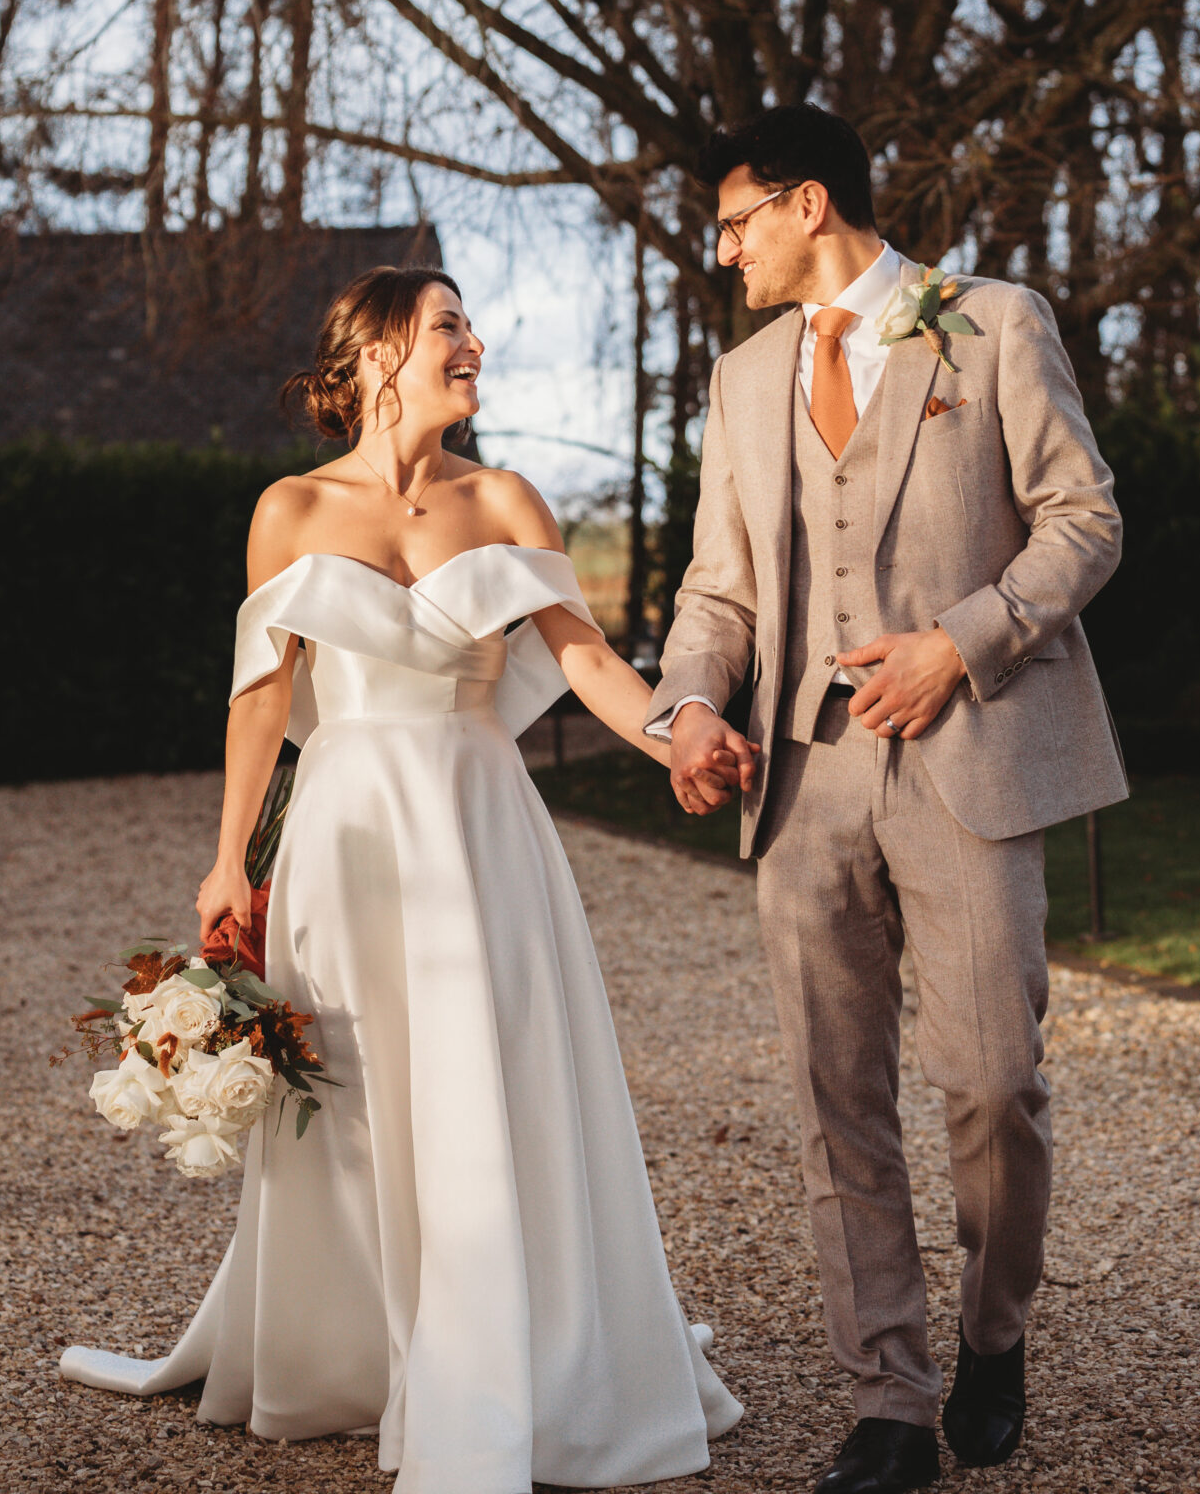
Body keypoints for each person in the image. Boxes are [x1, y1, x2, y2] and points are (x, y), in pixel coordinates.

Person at [61, 263, 741, 1493]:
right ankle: (368, 1349)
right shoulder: (290, 509)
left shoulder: (509, 497)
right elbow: (261, 698)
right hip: (347, 837)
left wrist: (678, 735)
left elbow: (584, 660)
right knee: (365, 1089)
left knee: (498, 1068)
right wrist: (226, 859)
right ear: (375, 354)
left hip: (482, 825)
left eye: (470, 324)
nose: (474, 342)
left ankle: (501, 1358)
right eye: (448, 326)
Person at [647, 106, 1126, 1494]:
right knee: (831, 1097)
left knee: (992, 1085)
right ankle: (886, 1404)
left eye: (733, 221)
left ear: (805, 204)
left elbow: (1082, 517)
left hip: (969, 755)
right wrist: (688, 704)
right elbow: (716, 589)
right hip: (801, 779)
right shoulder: (740, 379)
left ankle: (993, 1332)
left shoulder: (989, 321)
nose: (720, 249)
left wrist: (957, 641)